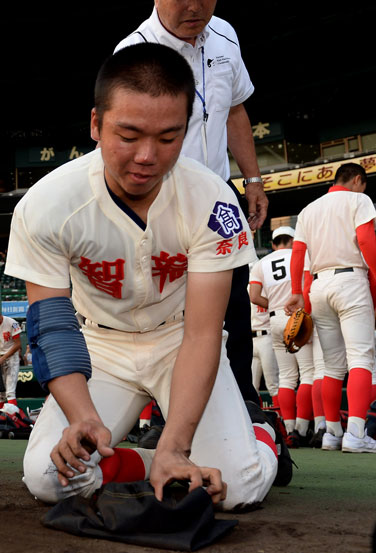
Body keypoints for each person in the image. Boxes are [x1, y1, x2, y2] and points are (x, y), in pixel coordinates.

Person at [5, 43, 280, 510]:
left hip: (179, 342)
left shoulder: (211, 199)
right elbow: (52, 324)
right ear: (95, 124)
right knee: (51, 478)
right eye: (128, 135)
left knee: (237, 486)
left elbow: (202, 332)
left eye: (168, 138)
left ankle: (262, 433)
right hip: (100, 347)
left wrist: (179, 444)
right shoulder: (47, 203)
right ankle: (154, 458)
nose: (147, 156)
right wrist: (83, 417)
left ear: (187, 128)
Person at [114, 0, 267, 404]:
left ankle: (242, 404)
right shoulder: (135, 52)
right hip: (161, 198)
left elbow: (234, 109)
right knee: (173, 311)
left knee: (234, 303)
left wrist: (252, 178)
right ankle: (172, 412)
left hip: (218, 193)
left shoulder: (225, 34)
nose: (196, 7)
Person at [285, 163, 376, 453]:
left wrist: (296, 292)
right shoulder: (358, 199)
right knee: (360, 358)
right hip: (350, 280)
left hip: (317, 286)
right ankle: (355, 434)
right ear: (357, 180)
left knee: (330, 365)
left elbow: (298, 254)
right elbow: (367, 240)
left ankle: (332, 432)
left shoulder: (308, 209)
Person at [250, 227, 315, 447]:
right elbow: (308, 285)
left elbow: (254, 296)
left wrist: (275, 307)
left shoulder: (261, 262)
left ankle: (288, 429)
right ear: (292, 240)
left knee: (286, 377)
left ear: (274, 242)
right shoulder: (300, 254)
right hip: (296, 315)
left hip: (275, 319)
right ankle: (302, 428)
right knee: (307, 373)